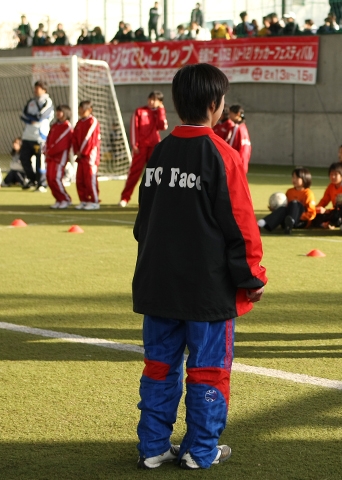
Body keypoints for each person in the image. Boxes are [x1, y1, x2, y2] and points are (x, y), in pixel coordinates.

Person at [133, 63, 266, 471]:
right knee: (208, 370)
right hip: (207, 293)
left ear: (175, 103)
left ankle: (153, 447)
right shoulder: (221, 155)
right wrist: (253, 277)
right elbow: (241, 226)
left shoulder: (159, 152)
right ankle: (199, 450)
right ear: (215, 105)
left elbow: (143, 225)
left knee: (160, 366)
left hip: (158, 288)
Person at [120, 91, 168, 207]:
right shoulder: (140, 111)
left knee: (156, 173)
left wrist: (161, 110)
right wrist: (134, 144)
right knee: (134, 173)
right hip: (141, 147)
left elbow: (163, 126)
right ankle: (125, 198)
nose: (151, 101)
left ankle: (155, 199)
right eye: (150, 98)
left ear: (160, 102)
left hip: (154, 146)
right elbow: (134, 128)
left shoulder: (159, 112)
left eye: (155, 99)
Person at [257, 168, 316, 234]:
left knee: (295, 203)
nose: (294, 180)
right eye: (293, 177)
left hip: (301, 222)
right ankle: (261, 223)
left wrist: (297, 215)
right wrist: (275, 209)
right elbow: (286, 208)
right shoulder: (289, 191)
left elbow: (312, 213)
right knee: (283, 208)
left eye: (297, 178)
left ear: (305, 179)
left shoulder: (308, 193)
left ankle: (291, 222)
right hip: (286, 220)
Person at [19, 80, 53, 191]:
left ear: (44, 89)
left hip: (39, 137)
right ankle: (32, 179)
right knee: (23, 158)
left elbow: (41, 116)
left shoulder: (48, 102)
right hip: (27, 136)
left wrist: (31, 118)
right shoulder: (31, 102)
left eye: (37, 88)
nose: (35, 91)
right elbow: (23, 115)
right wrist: (31, 119)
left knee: (40, 161)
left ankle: (41, 183)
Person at [72, 100, 101, 210]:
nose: (80, 112)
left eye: (83, 110)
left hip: (90, 156)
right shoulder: (79, 123)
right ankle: (83, 200)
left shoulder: (92, 122)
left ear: (90, 110)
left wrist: (82, 151)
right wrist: (76, 151)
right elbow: (74, 138)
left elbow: (89, 139)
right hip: (80, 156)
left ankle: (94, 201)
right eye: (80, 109)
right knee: (80, 179)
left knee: (90, 179)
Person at [45, 105, 73, 209]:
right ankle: (58, 199)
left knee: (55, 178)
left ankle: (65, 199)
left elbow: (61, 143)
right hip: (50, 156)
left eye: (60, 111)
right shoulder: (54, 126)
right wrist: (46, 149)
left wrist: (50, 150)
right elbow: (49, 139)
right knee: (49, 178)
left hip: (59, 157)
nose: (58, 113)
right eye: (57, 111)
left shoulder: (67, 127)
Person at [313, 162, 342, 228]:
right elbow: (324, 201)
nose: (332, 177)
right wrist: (316, 209)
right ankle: (326, 224)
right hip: (333, 211)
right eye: (331, 174)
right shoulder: (330, 187)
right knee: (316, 215)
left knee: (337, 215)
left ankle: (331, 224)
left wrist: (327, 211)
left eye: (335, 174)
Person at [225, 105, 251, 174]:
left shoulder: (239, 128)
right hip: (239, 161)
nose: (229, 115)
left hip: (237, 162)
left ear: (238, 114)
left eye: (231, 113)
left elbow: (235, 146)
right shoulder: (241, 127)